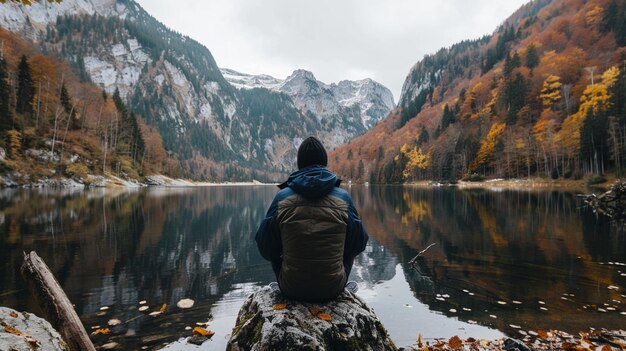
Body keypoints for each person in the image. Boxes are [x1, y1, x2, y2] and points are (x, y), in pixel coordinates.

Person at [255, 136, 369, 302]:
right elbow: (359, 244)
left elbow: (265, 247)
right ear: (324, 163)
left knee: (273, 244)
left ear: (300, 164)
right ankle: (342, 284)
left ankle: (281, 283)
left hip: (291, 288)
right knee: (351, 242)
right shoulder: (343, 198)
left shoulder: (282, 198)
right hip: (332, 288)